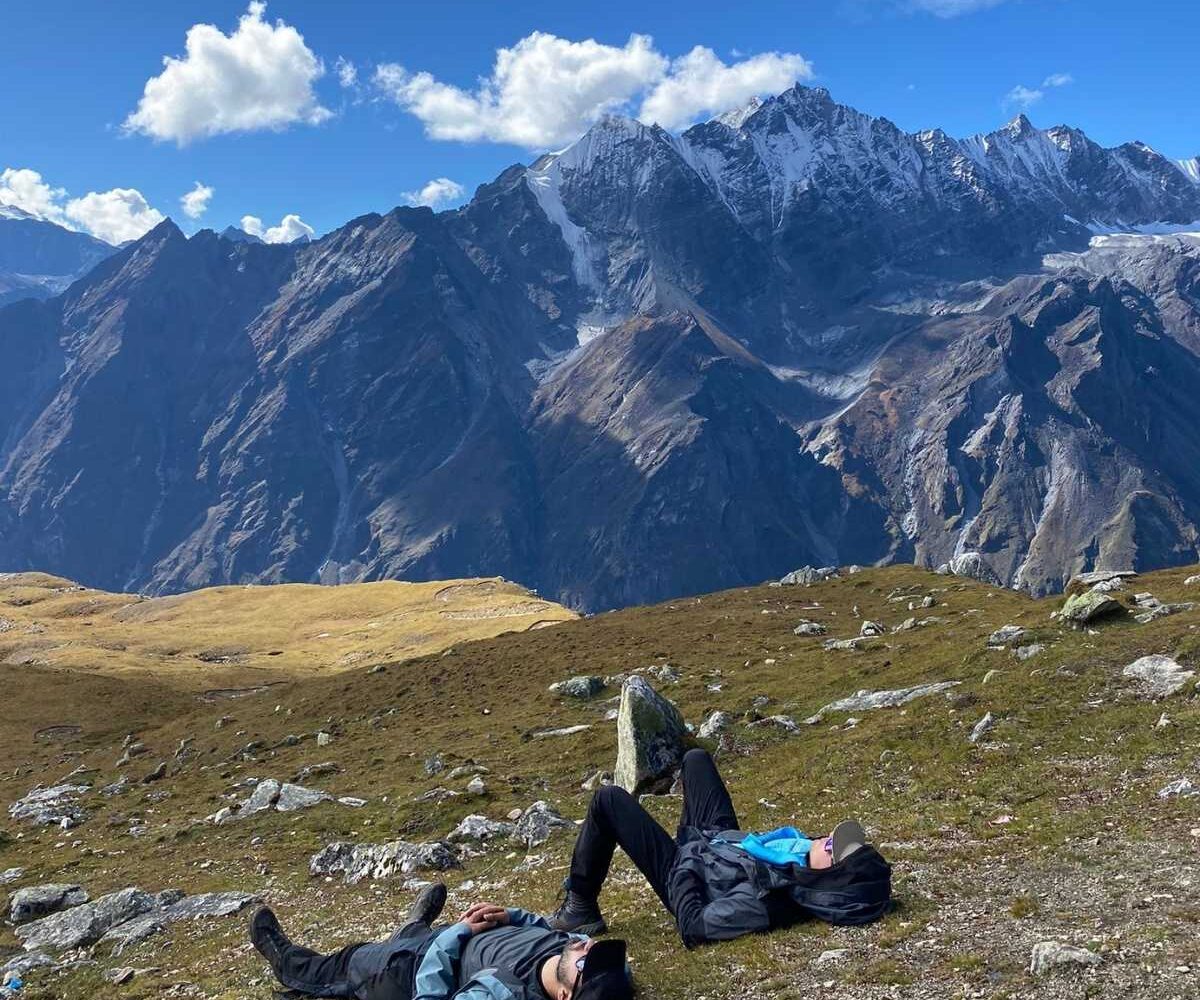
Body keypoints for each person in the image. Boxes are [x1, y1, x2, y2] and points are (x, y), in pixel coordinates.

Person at [547, 748, 892, 947]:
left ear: (828, 879)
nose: (824, 839)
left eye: (830, 847)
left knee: (609, 800)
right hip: (721, 844)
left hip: (687, 871)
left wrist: (684, 865)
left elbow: (694, 926)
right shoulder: (797, 861)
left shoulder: (766, 902)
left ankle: (581, 907)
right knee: (696, 759)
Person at [249, 882, 633, 1000]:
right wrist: (512, 916)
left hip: (413, 970)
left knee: (345, 964)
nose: (587, 947)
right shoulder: (579, 953)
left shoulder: (503, 995)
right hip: (447, 940)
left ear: (565, 996)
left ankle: (285, 960)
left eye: (586, 961)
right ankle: (414, 925)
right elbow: (560, 933)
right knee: (419, 934)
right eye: (594, 948)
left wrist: (458, 932)